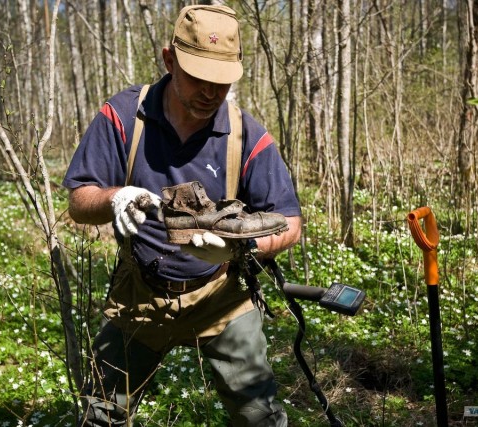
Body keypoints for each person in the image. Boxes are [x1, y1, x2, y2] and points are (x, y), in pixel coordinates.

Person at [63, 4, 301, 426]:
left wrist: (239, 248)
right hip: (140, 292)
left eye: (221, 82)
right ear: (169, 59)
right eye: (198, 78)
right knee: (102, 414)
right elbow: (80, 200)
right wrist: (114, 198)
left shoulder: (246, 135)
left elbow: (290, 223)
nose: (210, 93)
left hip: (220, 296)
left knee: (260, 417)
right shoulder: (123, 117)